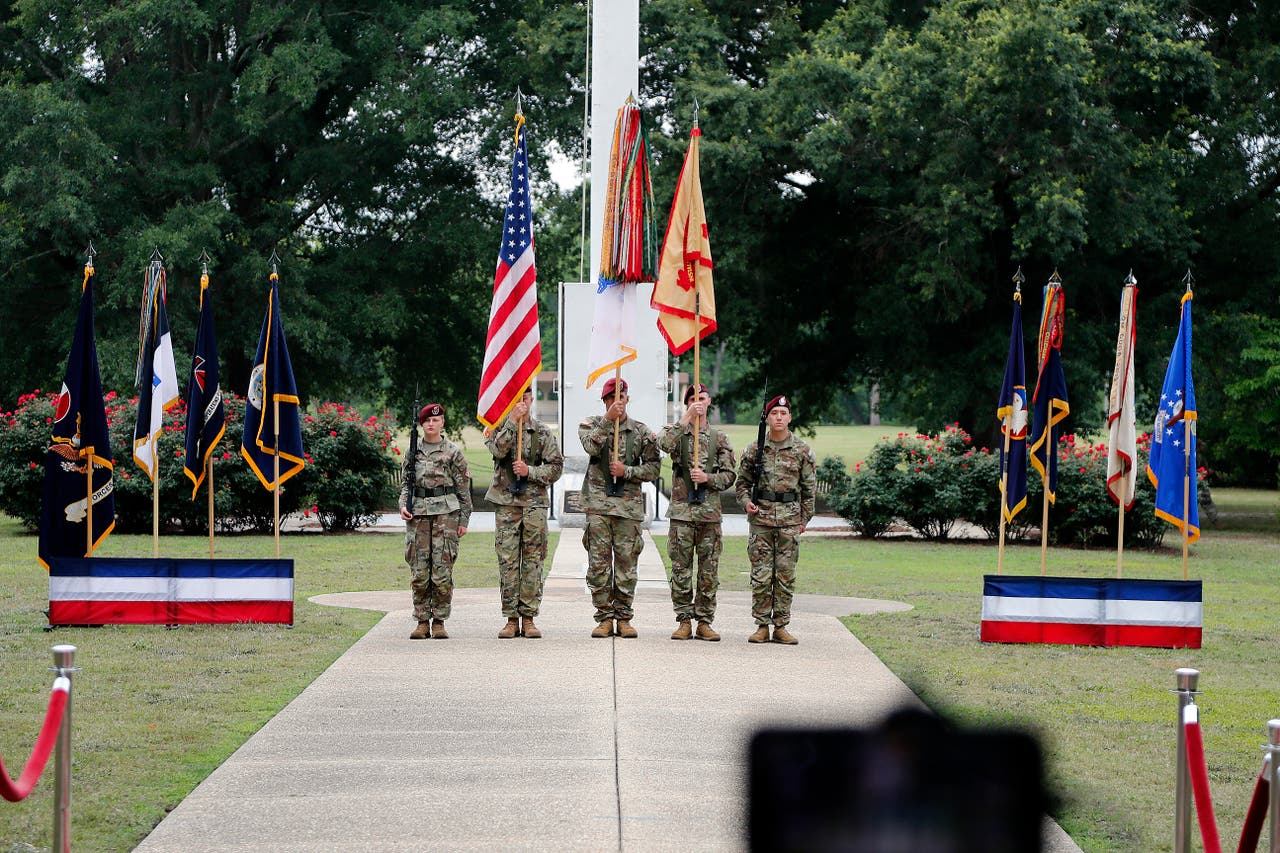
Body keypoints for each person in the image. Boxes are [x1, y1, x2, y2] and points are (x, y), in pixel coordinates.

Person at [578, 377, 660, 638]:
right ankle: (603, 617)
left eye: (622, 396)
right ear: (605, 401)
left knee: (627, 566)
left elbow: (654, 468)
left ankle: (624, 617)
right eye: (612, 397)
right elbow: (591, 446)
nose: (618, 402)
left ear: (628, 398)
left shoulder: (641, 431)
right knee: (598, 566)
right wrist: (607, 420)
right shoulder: (590, 424)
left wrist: (628, 471)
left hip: (627, 508)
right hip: (599, 507)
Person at [735, 394, 815, 645]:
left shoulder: (802, 450)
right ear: (768, 418)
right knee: (760, 575)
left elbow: (809, 488)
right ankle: (761, 625)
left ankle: (781, 625)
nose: (779, 418)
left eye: (783, 414)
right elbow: (742, 483)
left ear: (789, 417)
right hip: (761, 519)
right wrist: (745, 502)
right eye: (774, 414)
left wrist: (804, 519)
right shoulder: (754, 448)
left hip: (789, 520)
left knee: (785, 575)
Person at [658, 383, 736, 641]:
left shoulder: (719, 439)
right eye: (692, 399)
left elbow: (729, 476)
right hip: (682, 512)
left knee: (708, 572)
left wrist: (707, 478)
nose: (698, 402)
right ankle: (683, 620)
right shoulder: (677, 432)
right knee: (681, 570)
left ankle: (704, 621)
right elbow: (663, 444)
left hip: (708, 514)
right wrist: (687, 417)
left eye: (701, 398)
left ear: (709, 400)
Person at [485, 387, 564, 639]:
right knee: (508, 562)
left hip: (534, 504)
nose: (522, 402)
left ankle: (529, 618)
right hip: (506, 504)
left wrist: (530, 472)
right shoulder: (497, 427)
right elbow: (497, 450)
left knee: (533, 562)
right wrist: (512, 422)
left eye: (525, 397)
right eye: (516, 398)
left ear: (531, 399)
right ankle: (511, 618)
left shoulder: (542, 432)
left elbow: (556, 467)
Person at [399, 402, 472, 639]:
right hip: (418, 514)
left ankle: (439, 620)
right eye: (427, 421)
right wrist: (403, 505)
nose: (431, 424)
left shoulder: (453, 452)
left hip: (446, 515)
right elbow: (405, 485)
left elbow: (463, 490)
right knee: (419, 571)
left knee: (442, 570)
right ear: (422, 425)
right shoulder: (413, 451)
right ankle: (422, 620)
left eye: (435, 420)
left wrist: (464, 519)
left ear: (442, 423)